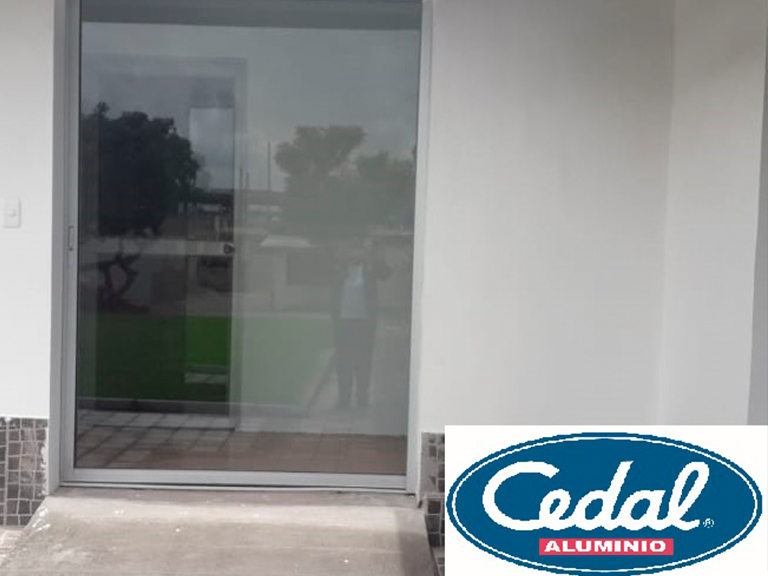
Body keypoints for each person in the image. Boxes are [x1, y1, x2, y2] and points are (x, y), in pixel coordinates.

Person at [330, 237, 391, 409]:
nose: (355, 253)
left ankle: (362, 399)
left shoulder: (370, 270)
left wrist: (373, 256)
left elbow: (386, 274)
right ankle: (344, 399)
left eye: (359, 250)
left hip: (364, 324)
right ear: (347, 252)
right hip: (343, 324)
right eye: (352, 249)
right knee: (344, 363)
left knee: (364, 363)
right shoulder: (339, 269)